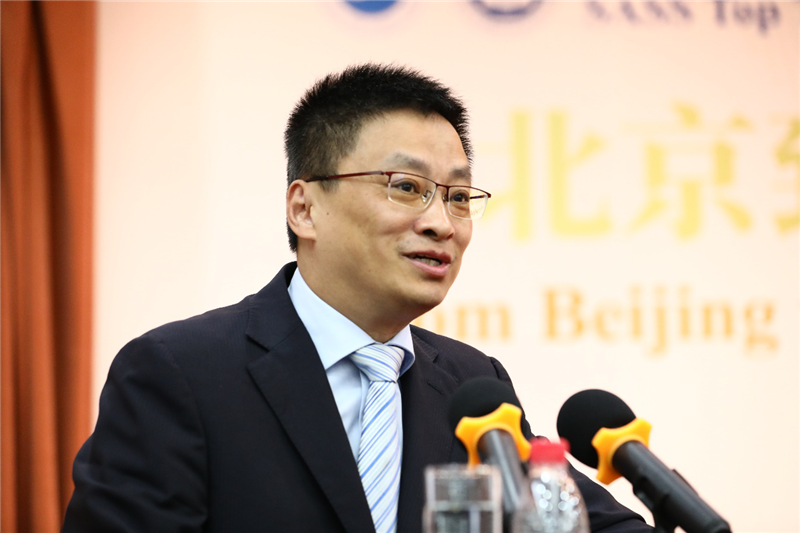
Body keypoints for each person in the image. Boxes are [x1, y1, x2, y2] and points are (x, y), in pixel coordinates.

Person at [63, 64, 651, 532]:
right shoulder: (181, 373)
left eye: (458, 197)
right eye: (406, 187)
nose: (442, 223)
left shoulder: (472, 388)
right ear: (304, 208)